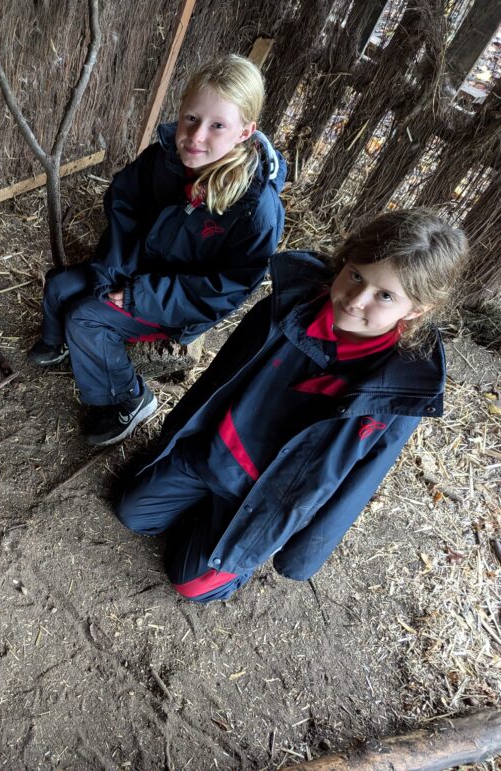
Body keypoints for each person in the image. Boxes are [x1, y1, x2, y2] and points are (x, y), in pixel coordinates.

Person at [114, 209, 468, 604]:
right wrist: (175, 434)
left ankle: (226, 547)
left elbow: (365, 476)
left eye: (385, 296)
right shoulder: (286, 306)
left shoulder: (400, 386)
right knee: (133, 513)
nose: (355, 301)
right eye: (355, 276)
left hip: (265, 495)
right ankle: (203, 516)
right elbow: (218, 378)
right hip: (213, 453)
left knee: (190, 586)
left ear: (415, 310)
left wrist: (304, 554)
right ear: (345, 262)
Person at [29, 53, 287, 446]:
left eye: (217, 125)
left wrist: (139, 296)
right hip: (133, 268)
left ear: (244, 132)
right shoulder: (165, 157)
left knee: (86, 318)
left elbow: (227, 290)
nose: (196, 136)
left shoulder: (254, 210)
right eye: (191, 118)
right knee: (60, 286)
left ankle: (127, 400)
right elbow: (122, 203)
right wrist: (112, 270)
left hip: (172, 301)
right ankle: (60, 345)